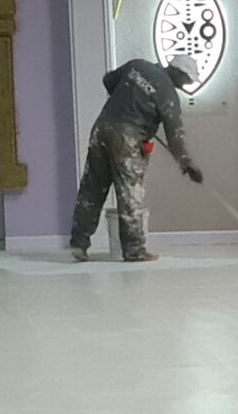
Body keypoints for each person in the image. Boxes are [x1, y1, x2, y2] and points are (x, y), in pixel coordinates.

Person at [71, 54, 205, 263]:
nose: (186, 84)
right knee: (130, 194)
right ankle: (134, 250)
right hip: (127, 138)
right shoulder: (168, 94)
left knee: (92, 187)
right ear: (178, 72)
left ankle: (79, 244)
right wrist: (186, 163)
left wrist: (126, 100)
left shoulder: (138, 65)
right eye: (187, 79)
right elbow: (175, 136)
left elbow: (108, 80)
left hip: (102, 128)